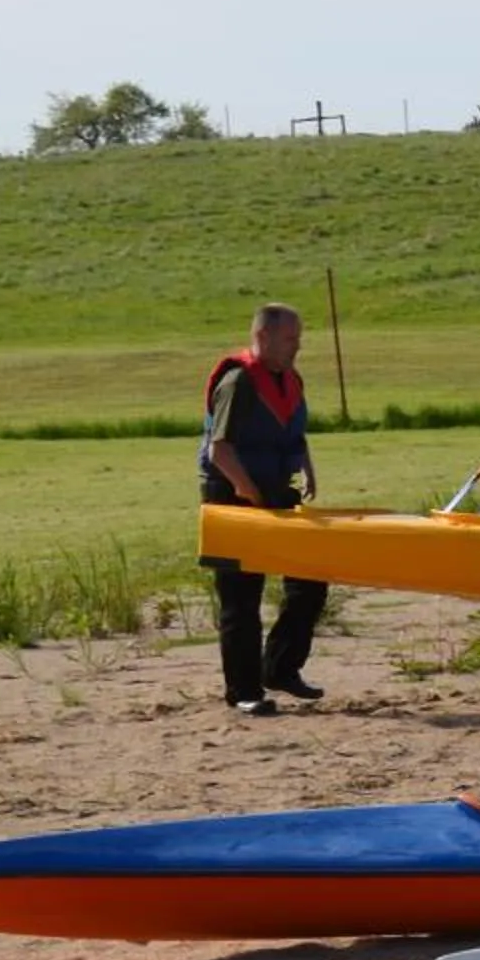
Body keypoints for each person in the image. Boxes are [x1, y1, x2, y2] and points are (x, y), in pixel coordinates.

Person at [198, 303, 330, 717]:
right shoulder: (238, 382)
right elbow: (220, 451)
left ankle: (280, 667)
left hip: (275, 491)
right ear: (264, 337)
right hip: (233, 494)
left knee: (310, 581)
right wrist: (249, 492)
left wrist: (306, 470)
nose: (298, 346)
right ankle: (244, 691)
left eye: (299, 337)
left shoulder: (290, 379)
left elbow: (295, 433)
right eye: (291, 338)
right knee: (242, 598)